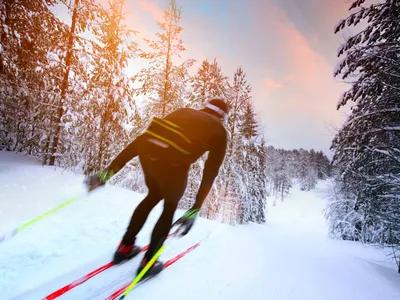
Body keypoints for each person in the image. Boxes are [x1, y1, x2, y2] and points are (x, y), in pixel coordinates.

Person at [85, 98, 229, 278]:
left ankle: (125, 248)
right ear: (223, 116)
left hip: (148, 155)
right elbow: (210, 171)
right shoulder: (219, 130)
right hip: (174, 166)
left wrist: (107, 173)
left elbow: (145, 138)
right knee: (169, 207)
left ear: (205, 107)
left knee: (152, 196)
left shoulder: (183, 111)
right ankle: (149, 262)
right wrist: (195, 207)